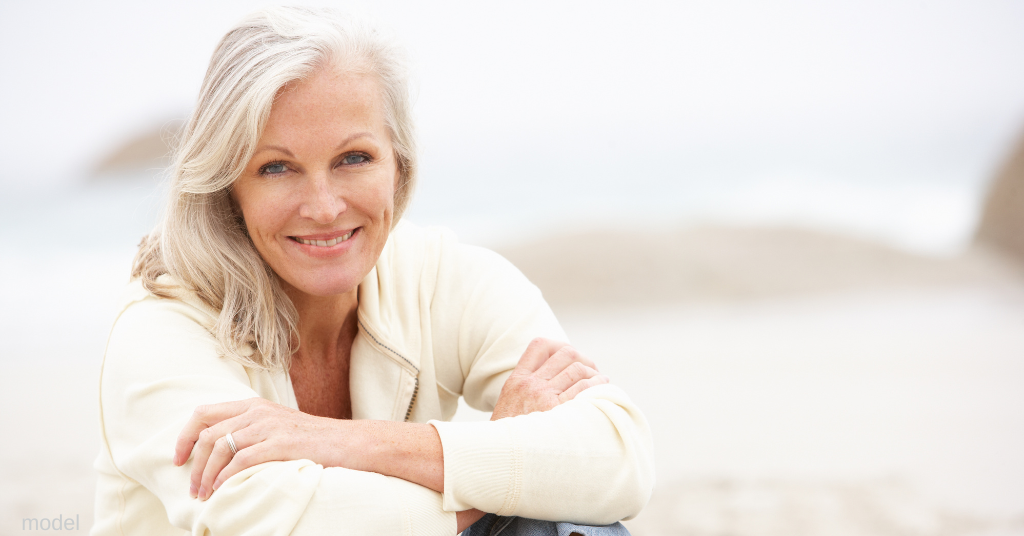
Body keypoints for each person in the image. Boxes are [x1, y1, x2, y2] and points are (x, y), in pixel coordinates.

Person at [92, 6, 654, 535]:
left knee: (574, 526)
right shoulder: (160, 328)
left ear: (399, 166)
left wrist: (338, 441)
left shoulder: (441, 279)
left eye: (353, 158)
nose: (324, 206)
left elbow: (618, 457)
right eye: (276, 167)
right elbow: (276, 520)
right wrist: (495, 480)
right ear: (227, 188)